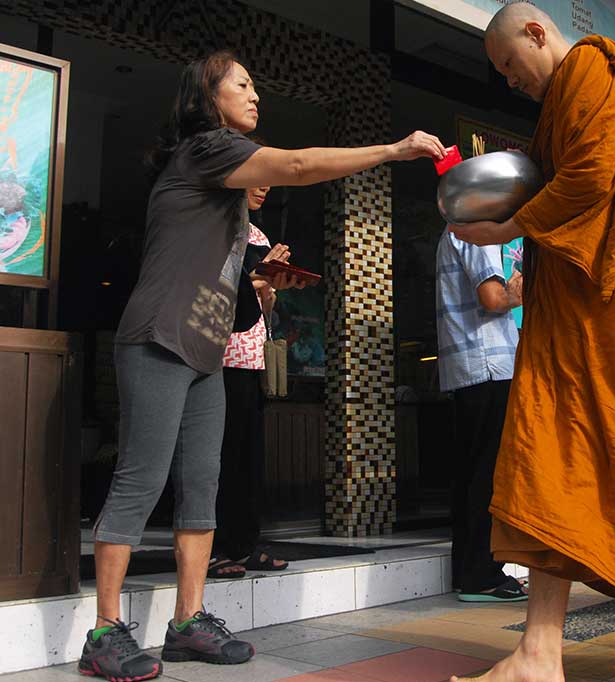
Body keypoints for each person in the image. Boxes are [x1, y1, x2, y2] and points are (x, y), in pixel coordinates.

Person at [80, 50, 444, 682]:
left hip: (203, 350)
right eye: (242, 85)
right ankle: (104, 632)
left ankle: (188, 622)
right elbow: (299, 163)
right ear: (207, 95)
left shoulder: (230, 193)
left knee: (203, 485)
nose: (256, 96)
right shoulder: (203, 148)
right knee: (141, 481)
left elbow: (228, 281)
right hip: (157, 338)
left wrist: (263, 284)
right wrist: (391, 149)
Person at [449, 5, 615, 681]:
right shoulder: (558, 100)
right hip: (574, 299)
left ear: (538, 32)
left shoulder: (595, 67)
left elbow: (594, 175)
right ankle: (539, 652)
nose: (511, 81)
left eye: (512, 63)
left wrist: (510, 226)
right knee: (550, 448)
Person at [207, 182, 293, 579]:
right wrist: (257, 277)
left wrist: (270, 285)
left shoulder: (258, 235)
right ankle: (214, 549)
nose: (264, 185)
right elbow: (214, 289)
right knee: (218, 456)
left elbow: (264, 304)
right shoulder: (214, 225)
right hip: (216, 353)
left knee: (248, 457)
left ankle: (245, 545)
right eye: (256, 175)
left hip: (251, 357)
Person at [435, 231, 527, 602]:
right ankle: (481, 574)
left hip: (469, 365)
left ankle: (469, 571)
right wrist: (523, 287)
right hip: (489, 362)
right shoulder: (477, 231)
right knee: (487, 473)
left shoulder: (456, 229)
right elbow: (493, 298)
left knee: (471, 472)